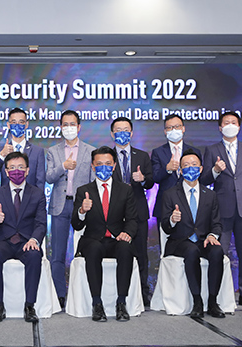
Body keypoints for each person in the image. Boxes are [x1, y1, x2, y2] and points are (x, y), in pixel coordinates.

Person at [199, 111, 242, 308]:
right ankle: (219, 294)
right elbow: (204, 181)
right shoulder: (211, 150)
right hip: (221, 209)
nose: (230, 125)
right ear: (219, 127)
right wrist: (215, 170)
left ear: (239, 127)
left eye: (233, 122)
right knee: (219, 253)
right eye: (226, 123)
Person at [71, 146, 137, 322]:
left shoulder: (125, 190)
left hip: (116, 239)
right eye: (99, 164)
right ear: (93, 166)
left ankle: (121, 303)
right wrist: (82, 211)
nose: (104, 167)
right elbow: (76, 225)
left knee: (126, 250)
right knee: (93, 249)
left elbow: (132, 219)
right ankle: (96, 303)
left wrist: (127, 233)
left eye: (108, 163)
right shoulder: (83, 190)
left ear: (114, 165)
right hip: (92, 239)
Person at [160, 149, 226, 318]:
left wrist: (213, 235)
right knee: (191, 251)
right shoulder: (170, 194)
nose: (190, 169)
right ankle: (197, 301)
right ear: (180, 171)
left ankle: (212, 301)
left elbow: (217, 223)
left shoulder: (210, 195)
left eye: (194, 165)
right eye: (186, 166)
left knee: (217, 251)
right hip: (179, 242)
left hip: (203, 240)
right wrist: (173, 220)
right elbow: (166, 227)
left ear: (201, 168)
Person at [0, 152, 47, 323]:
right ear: (5, 171)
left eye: (20, 167)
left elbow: (41, 223)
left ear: (27, 170)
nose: (16, 171)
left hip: (27, 241)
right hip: (3, 240)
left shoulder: (37, 193)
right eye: (12, 168)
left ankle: (29, 306)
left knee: (34, 255)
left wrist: (34, 240)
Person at [45, 110, 96, 309]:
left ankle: (81, 294)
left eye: (72, 124)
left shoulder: (90, 150)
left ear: (79, 126)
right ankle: (60, 295)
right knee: (57, 254)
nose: (68, 128)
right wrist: (63, 167)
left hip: (82, 206)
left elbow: (93, 181)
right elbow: (49, 177)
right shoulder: (53, 151)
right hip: (59, 205)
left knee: (82, 252)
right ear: (60, 127)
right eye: (65, 124)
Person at [110, 116, 155, 305]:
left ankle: (144, 294)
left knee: (141, 255)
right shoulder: (106, 157)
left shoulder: (142, 156)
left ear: (131, 132)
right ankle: (120, 294)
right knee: (119, 254)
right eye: (118, 130)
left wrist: (143, 178)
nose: (122, 133)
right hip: (115, 214)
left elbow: (151, 181)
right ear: (112, 134)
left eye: (125, 129)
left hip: (138, 213)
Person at [151, 115, 201, 251]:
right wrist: (167, 169)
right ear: (165, 131)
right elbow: (154, 177)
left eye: (177, 126)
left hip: (190, 205)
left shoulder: (194, 152)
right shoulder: (158, 152)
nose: (174, 130)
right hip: (165, 206)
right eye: (170, 128)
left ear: (183, 128)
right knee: (166, 248)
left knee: (191, 247)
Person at [0, 107, 45, 191]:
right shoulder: (0, 151)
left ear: (26, 124)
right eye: (14, 122)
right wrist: (2, 156)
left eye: (21, 122)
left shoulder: (37, 152)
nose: (17, 125)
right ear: (8, 125)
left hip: (30, 200)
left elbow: (40, 182)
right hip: (6, 200)